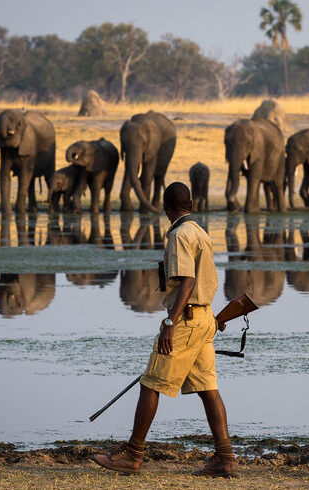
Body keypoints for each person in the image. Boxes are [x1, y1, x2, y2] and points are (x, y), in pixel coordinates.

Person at [91, 182, 238, 478]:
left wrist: (171, 322)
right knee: (208, 388)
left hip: (185, 319)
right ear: (192, 205)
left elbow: (187, 281)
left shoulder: (179, 235)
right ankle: (225, 458)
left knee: (151, 383)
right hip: (205, 317)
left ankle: (133, 455)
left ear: (165, 208)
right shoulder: (200, 232)